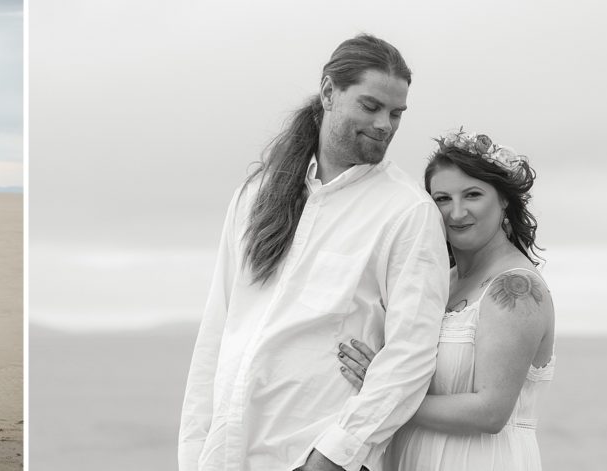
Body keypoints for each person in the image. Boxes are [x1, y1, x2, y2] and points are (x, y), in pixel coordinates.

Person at [178, 34, 449, 471]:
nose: (385, 124)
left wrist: (332, 456)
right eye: (371, 106)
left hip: (315, 457)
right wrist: (193, 452)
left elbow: (411, 354)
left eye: (396, 113)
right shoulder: (255, 194)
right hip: (228, 455)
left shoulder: (407, 211)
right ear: (328, 92)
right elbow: (218, 328)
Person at [337, 129, 555, 470]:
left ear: (503, 200)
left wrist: (383, 393)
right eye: (441, 199)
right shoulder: (437, 282)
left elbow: (490, 412)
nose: (456, 213)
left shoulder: (516, 288)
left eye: (472, 195)